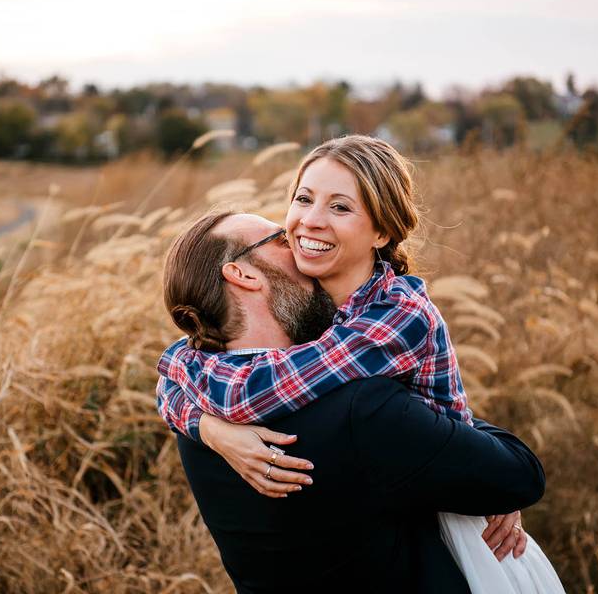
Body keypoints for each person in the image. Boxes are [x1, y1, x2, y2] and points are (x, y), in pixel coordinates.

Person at [158, 136, 566, 592]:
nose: (307, 223)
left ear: (381, 232)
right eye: (302, 200)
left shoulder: (391, 318)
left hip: (469, 526)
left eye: (340, 207)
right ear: (242, 274)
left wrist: (199, 423)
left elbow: (222, 376)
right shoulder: (343, 380)